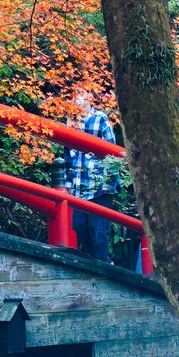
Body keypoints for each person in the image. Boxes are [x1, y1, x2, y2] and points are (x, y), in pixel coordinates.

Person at [58, 97, 127, 266]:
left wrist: (110, 181)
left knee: (99, 230)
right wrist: (68, 184)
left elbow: (112, 152)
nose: (78, 99)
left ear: (90, 97)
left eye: (82, 94)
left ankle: (101, 265)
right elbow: (67, 155)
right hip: (79, 184)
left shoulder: (101, 118)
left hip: (99, 184)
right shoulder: (71, 121)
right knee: (79, 225)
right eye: (75, 95)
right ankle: (99, 261)